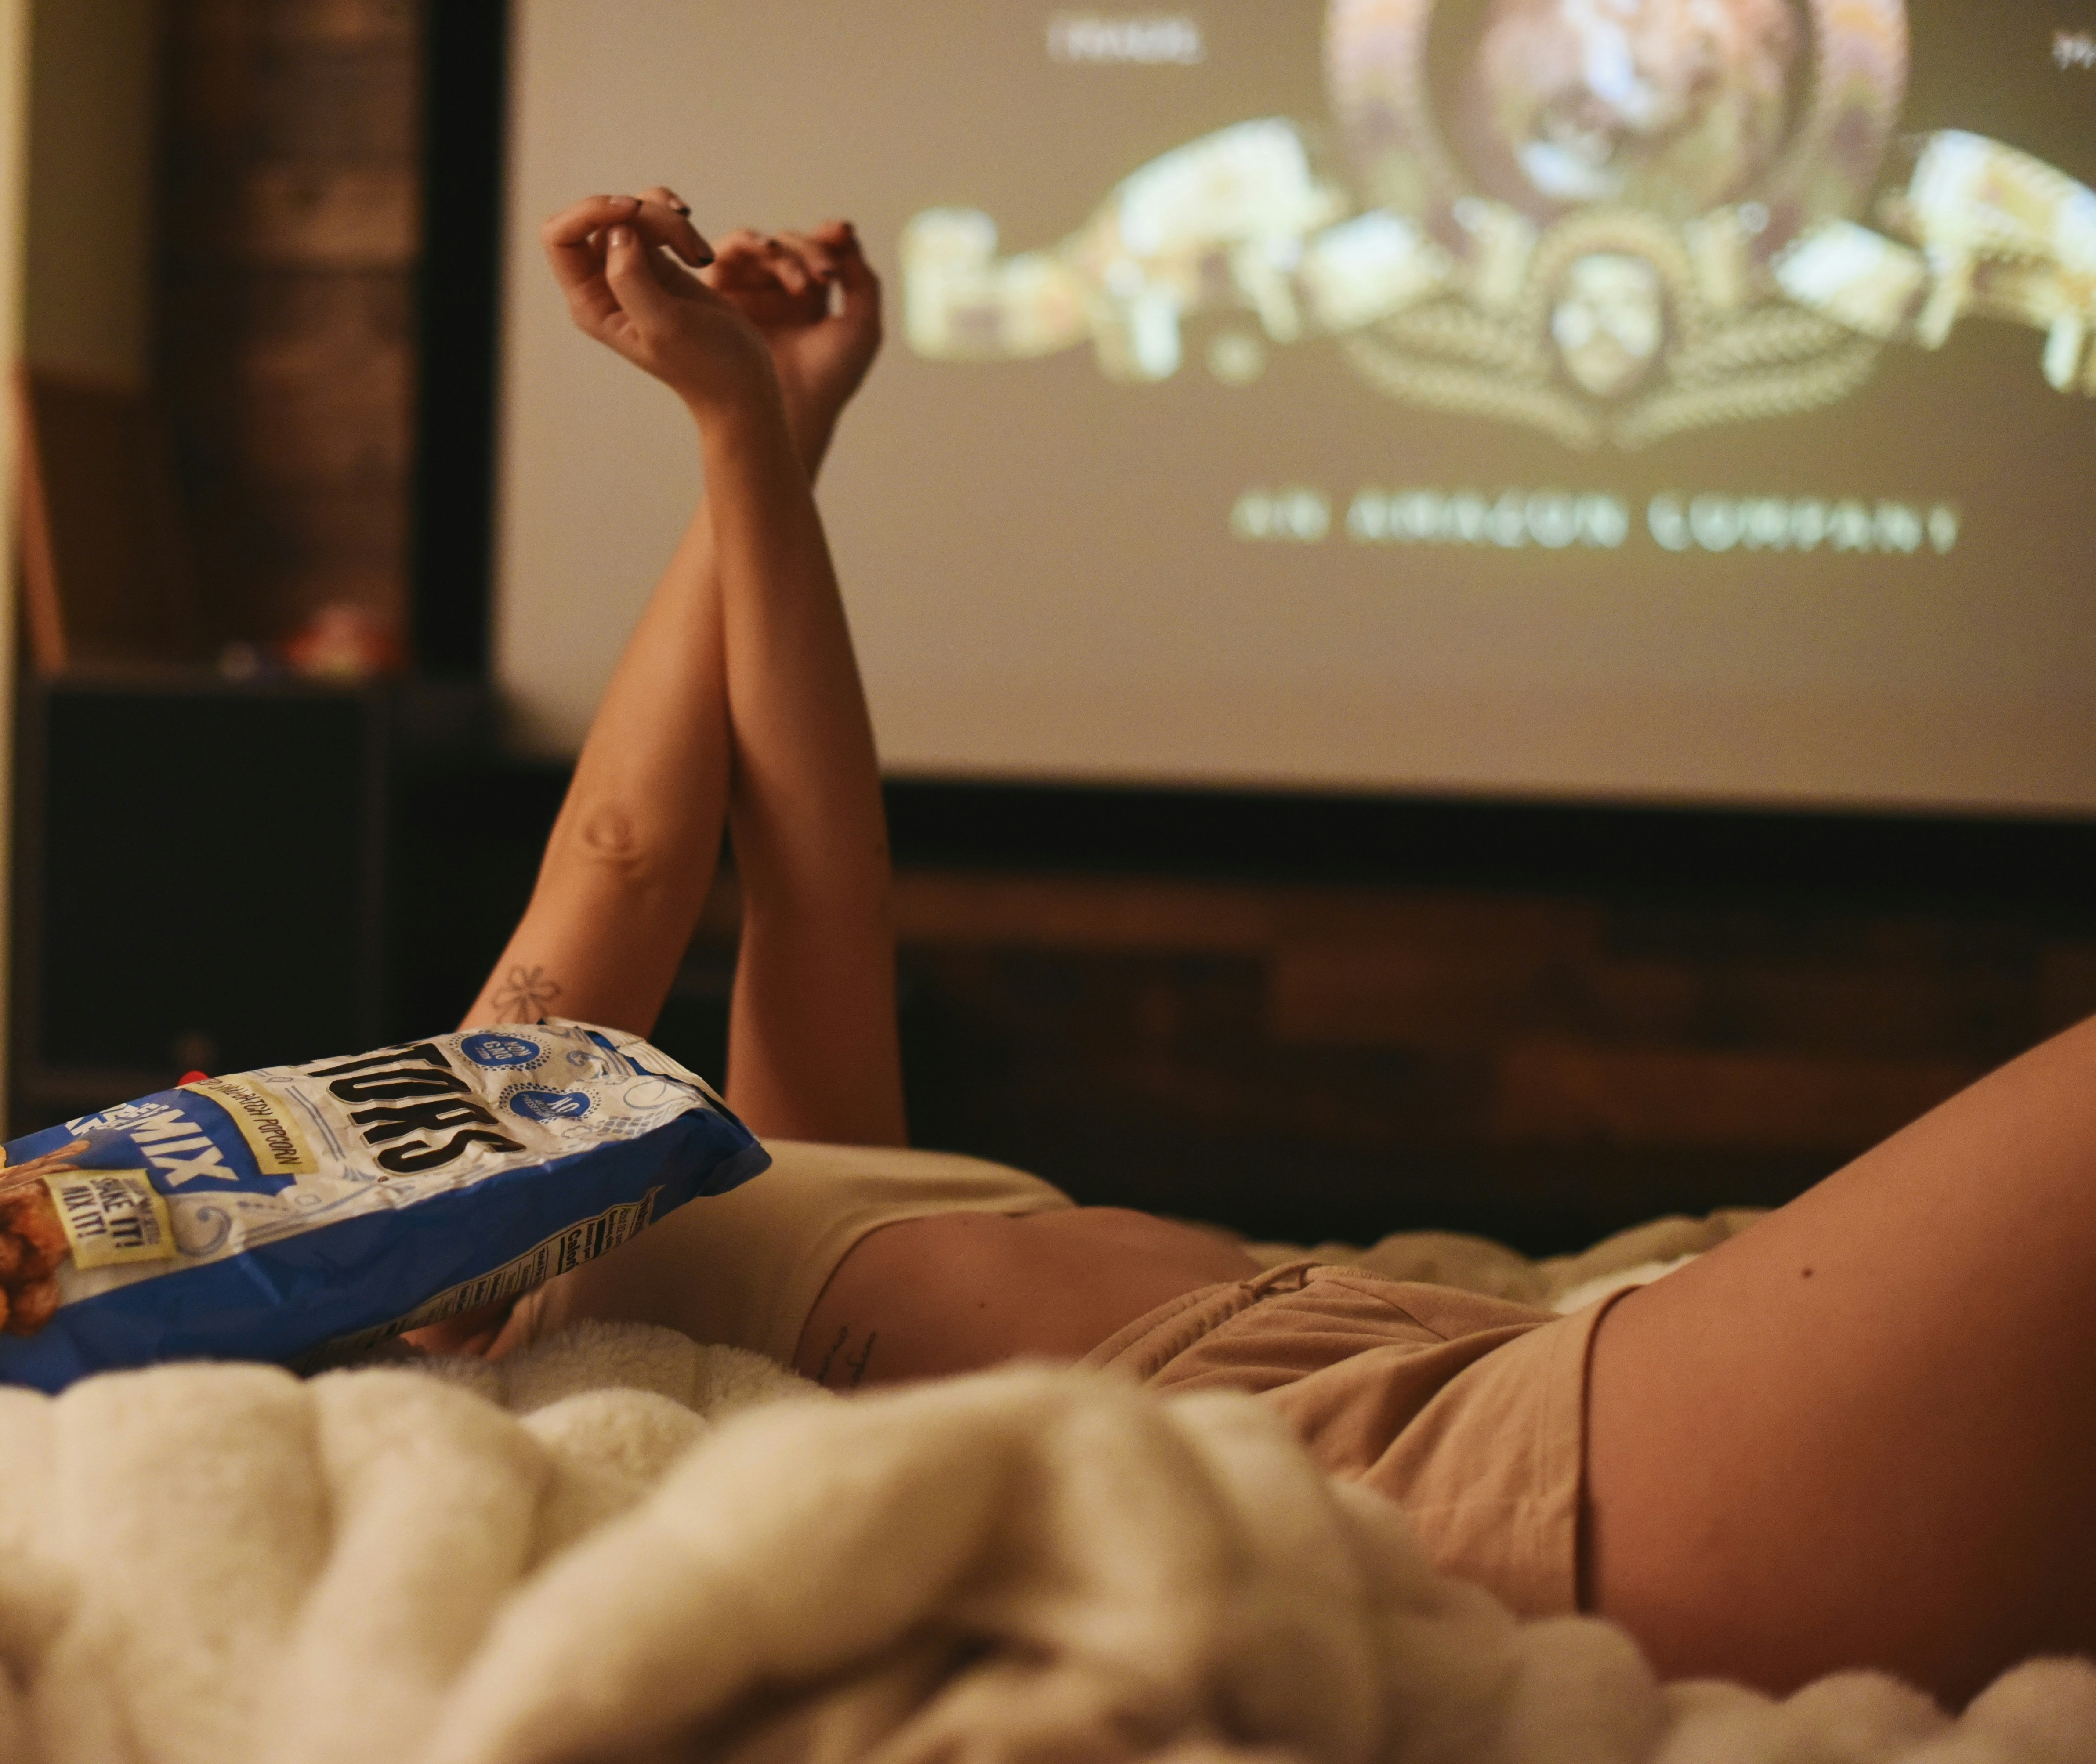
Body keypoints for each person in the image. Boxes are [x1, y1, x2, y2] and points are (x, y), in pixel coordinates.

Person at [421, 186, 2096, 1708]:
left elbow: (816, 872)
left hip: (1427, 1356)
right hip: (1422, 1460)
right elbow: (630, 855)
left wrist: (770, 424)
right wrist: (730, 410)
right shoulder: (451, 1248)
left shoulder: (734, 1172)